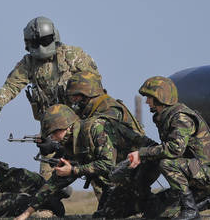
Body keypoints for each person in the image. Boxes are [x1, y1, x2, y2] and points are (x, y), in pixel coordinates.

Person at [0, 16, 100, 179]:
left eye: (45, 40)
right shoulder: (29, 63)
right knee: (46, 180)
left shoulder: (72, 55)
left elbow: (94, 83)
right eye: (36, 42)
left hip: (81, 125)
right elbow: (12, 84)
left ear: (54, 37)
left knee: (96, 172)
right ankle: (50, 198)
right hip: (52, 130)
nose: (41, 47)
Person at [15, 104, 156, 220]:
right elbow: (55, 182)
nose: (53, 138)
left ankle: (168, 204)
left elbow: (108, 164)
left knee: (143, 209)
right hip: (123, 174)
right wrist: (26, 213)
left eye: (54, 133)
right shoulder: (72, 144)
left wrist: (73, 170)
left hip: (145, 164)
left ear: (66, 126)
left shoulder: (94, 128)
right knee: (103, 216)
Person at [128, 76, 210, 220]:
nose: (146, 101)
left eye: (149, 97)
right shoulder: (164, 116)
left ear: (160, 97)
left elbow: (174, 149)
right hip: (194, 169)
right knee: (155, 212)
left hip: (209, 171)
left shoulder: (180, 117)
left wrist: (142, 153)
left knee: (166, 163)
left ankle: (190, 210)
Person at [64, 71, 158, 203]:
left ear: (87, 94)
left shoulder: (108, 109)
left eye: (75, 96)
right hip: (119, 165)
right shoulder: (89, 108)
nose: (73, 100)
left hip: (134, 165)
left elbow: (98, 143)